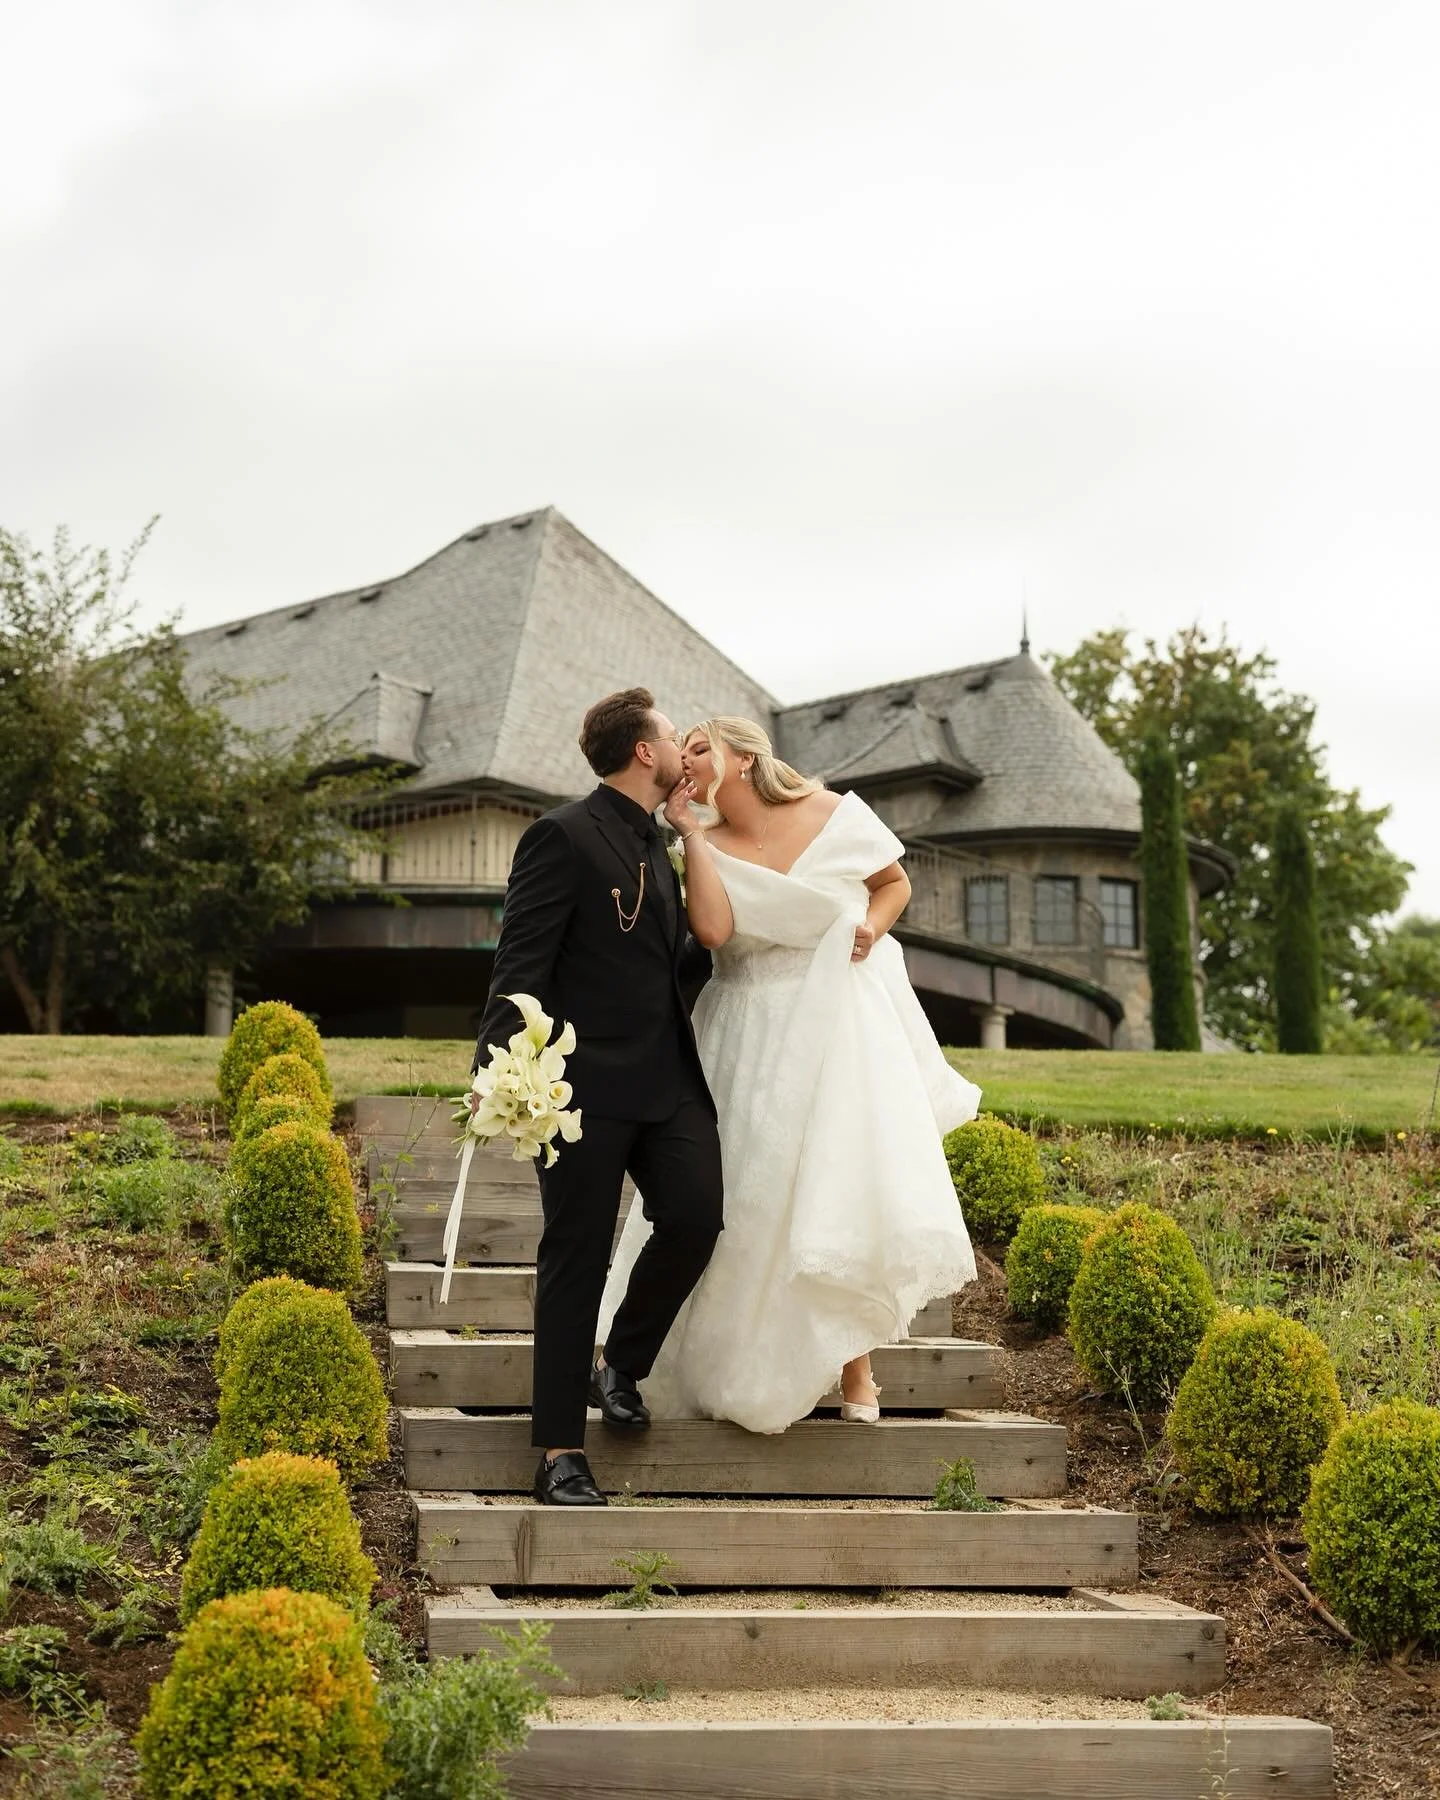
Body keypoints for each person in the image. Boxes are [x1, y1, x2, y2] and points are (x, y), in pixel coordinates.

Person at [598, 715, 979, 1434]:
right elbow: (714, 933)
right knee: (746, 1198)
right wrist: (692, 834)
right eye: (685, 748)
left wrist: (872, 928)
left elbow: (893, 883)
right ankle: (740, 1356)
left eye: (702, 747)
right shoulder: (700, 844)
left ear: (744, 757)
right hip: (744, 1032)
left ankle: (856, 1365)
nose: (689, 758)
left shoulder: (832, 812)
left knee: (832, 1182)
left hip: (835, 1020)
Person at [470, 688, 723, 1506]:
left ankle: (621, 1361)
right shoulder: (562, 835)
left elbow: (680, 959)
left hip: (668, 1081)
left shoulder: (662, 842)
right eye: (673, 737)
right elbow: (520, 962)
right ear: (646, 752)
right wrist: (498, 1069)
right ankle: (558, 1453)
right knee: (575, 1258)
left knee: (697, 1217)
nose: (684, 748)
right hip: (580, 1090)